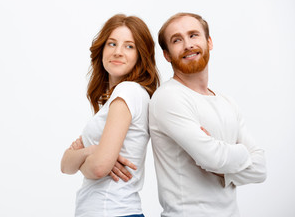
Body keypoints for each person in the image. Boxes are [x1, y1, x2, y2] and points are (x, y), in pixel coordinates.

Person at [149, 13, 267, 216]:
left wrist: (220, 161)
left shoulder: (227, 102)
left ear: (209, 42)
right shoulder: (168, 97)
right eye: (177, 40)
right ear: (167, 55)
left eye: (194, 35)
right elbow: (212, 158)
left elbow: (261, 169)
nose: (188, 45)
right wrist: (240, 152)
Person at [61, 14, 160, 217]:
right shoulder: (118, 98)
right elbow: (65, 165)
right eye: (112, 44)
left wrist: (90, 155)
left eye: (129, 46)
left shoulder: (128, 91)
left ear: (141, 55)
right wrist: (93, 151)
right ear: (102, 49)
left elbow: (98, 167)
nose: (118, 52)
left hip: (112, 211)